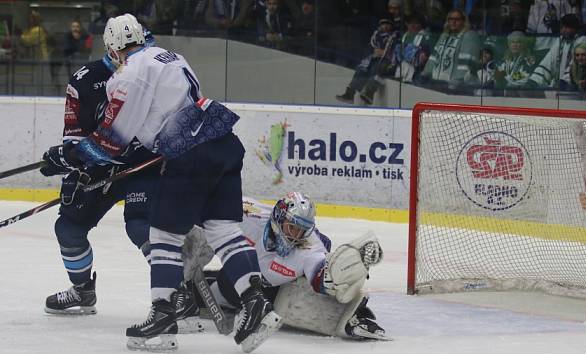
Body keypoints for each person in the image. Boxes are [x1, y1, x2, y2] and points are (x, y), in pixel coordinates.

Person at [40, 14, 281, 352]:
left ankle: (163, 318)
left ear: (113, 47)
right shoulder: (171, 56)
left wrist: (66, 158)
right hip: (223, 143)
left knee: (163, 236)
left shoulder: (127, 76)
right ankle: (256, 304)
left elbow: (112, 141)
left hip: (189, 156)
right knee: (224, 230)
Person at [40, 29, 160, 317]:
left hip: (143, 164)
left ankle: (176, 292)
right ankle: (82, 290)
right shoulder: (85, 81)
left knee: (140, 226)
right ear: (112, 48)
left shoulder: (155, 73)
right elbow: (74, 137)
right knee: (68, 228)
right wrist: (70, 163)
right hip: (99, 163)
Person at [182, 192, 390, 341]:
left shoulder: (310, 248)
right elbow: (206, 205)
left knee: (296, 295)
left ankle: (355, 317)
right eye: (292, 228)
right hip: (236, 276)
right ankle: (182, 290)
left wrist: (342, 276)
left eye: (302, 231)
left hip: (270, 291)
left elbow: (320, 280)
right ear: (279, 218)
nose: (295, 236)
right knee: (216, 281)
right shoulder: (248, 215)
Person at [335, 18, 399, 105]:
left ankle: (369, 93)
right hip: (374, 58)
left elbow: (390, 51)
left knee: (377, 69)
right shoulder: (376, 34)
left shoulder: (394, 36)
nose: (385, 26)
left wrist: (383, 52)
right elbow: (373, 48)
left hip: (387, 61)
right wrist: (378, 51)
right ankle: (350, 93)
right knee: (361, 69)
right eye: (383, 24)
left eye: (388, 24)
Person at [419, 9, 481, 94]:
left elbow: (466, 64)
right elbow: (433, 58)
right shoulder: (444, 36)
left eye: (457, 19)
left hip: (458, 90)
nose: (453, 22)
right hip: (438, 86)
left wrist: (454, 85)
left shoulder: (469, 36)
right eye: (451, 19)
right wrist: (425, 74)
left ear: (463, 21)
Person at [527, 14, 586, 90]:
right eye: (562, 28)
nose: (563, 30)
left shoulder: (584, 41)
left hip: (579, 90)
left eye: (566, 27)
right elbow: (548, 63)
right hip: (561, 88)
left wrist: (564, 82)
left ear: (574, 28)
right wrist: (534, 80)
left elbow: (577, 66)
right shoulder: (561, 40)